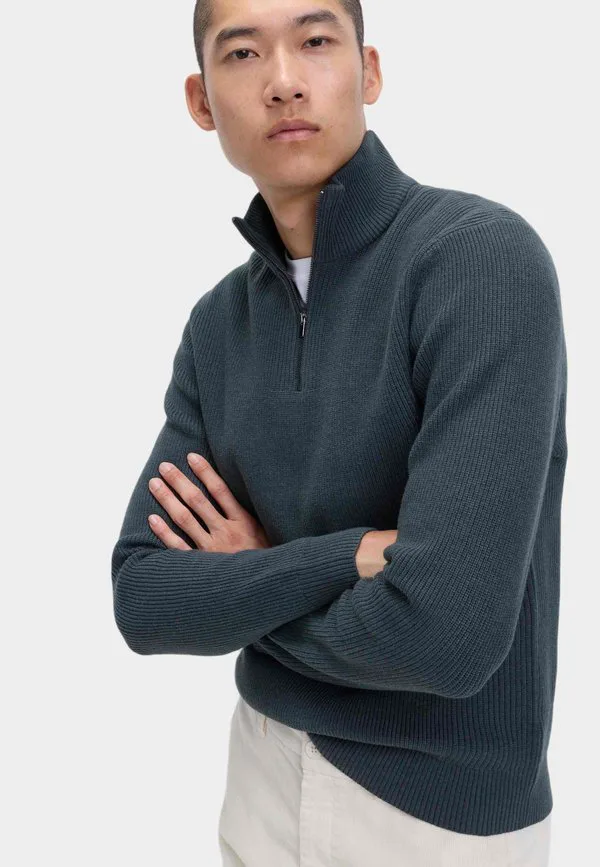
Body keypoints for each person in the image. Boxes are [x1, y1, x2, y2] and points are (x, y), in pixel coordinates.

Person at [111, 1, 568, 864]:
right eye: (242, 54)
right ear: (201, 101)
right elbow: (143, 598)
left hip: (437, 816)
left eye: (316, 41)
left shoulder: (479, 262)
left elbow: (449, 638)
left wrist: (247, 582)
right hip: (261, 767)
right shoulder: (219, 324)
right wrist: (345, 555)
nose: (284, 81)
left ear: (370, 71)